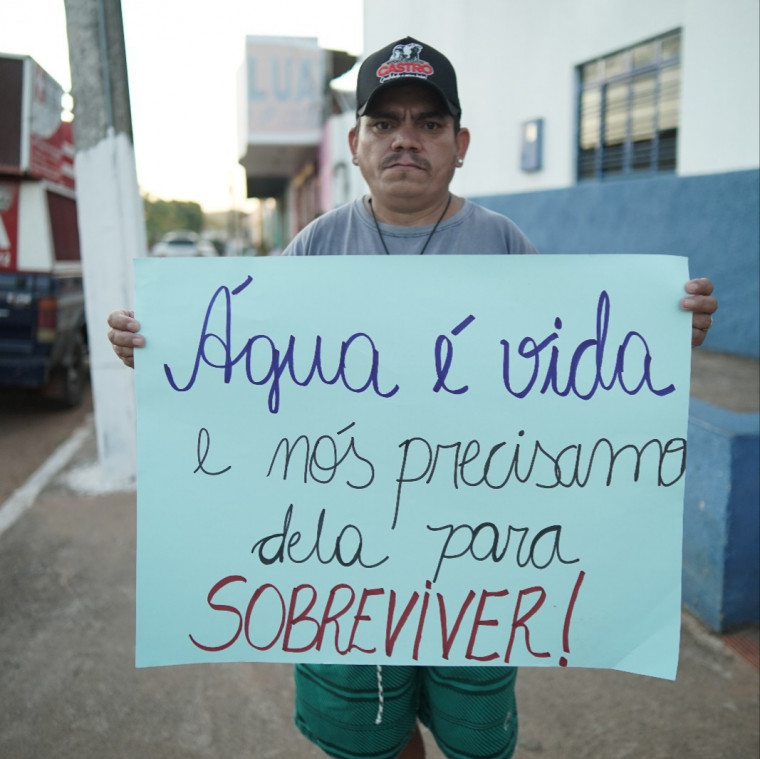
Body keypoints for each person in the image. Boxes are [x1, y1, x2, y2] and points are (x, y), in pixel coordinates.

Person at [108, 36, 718, 759]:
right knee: (370, 736)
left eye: (429, 124)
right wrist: (162, 345)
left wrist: (660, 336)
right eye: (385, 122)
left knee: (475, 735)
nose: (406, 139)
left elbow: (571, 389)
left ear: (460, 144)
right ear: (357, 143)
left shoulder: (504, 246)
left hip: (478, 556)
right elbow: (242, 370)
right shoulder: (313, 249)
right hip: (341, 561)